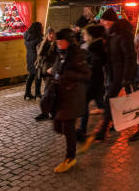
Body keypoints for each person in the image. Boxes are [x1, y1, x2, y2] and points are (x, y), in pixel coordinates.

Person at [84, 8, 139, 147]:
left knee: (134, 102)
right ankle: (102, 130)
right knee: (109, 101)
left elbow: (130, 56)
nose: (102, 22)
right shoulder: (110, 33)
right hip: (115, 74)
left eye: (104, 20)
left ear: (110, 21)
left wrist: (127, 77)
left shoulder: (123, 33)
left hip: (125, 75)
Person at [50, 28, 91, 173]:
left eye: (60, 41)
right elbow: (57, 70)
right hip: (60, 96)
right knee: (57, 126)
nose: (58, 44)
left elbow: (86, 74)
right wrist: (54, 71)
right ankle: (82, 138)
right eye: (57, 42)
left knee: (67, 127)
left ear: (68, 41)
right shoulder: (61, 53)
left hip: (73, 95)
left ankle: (70, 158)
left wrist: (66, 75)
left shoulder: (77, 54)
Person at [77, 24, 107, 141]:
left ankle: (82, 130)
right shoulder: (95, 46)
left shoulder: (94, 48)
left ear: (90, 36)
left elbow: (95, 65)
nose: (83, 36)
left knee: (85, 104)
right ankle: (113, 121)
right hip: (96, 82)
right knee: (101, 104)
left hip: (92, 82)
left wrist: (84, 68)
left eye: (85, 34)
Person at [35, 28, 57, 121]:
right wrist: (45, 41)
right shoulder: (42, 44)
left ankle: (48, 113)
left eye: (53, 33)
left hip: (51, 72)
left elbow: (56, 58)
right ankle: (50, 112)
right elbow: (39, 53)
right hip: (43, 71)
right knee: (49, 92)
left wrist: (53, 68)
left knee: (48, 93)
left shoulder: (56, 45)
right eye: (49, 34)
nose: (51, 35)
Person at [24, 22, 44, 100]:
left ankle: (27, 93)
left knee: (31, 75)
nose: (42, 28)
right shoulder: (39, 37)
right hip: (36, 58)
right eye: (41, 27)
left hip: (29, 57)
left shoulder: (27, 36)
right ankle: (38, 94)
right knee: (38, 76)